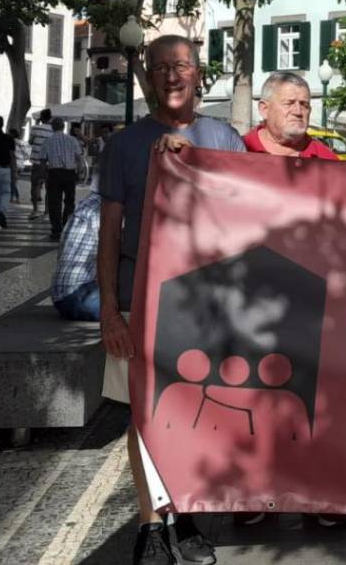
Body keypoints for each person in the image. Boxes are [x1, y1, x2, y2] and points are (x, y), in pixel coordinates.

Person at [98, 34, 243, 565]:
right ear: (148, 76)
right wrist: (109, 310)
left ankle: (187, 515)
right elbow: (109, 234)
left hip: (205, 303)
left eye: (181, 65)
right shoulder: (124, 145)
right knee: (143, 415)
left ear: (198, 73)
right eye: (160, 67)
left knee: (196, 412)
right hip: (137, 296)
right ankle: (151, 524)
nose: (172, 75)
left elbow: (248, 212)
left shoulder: (224, 138)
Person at [244, 72, 339, 159]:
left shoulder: (327, 160)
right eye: (289, 103)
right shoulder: (240, 150)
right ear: (264, 109)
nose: (298, 112)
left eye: (304, 105)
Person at [52, 194, 100, 321]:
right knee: (138, 309)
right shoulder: (102, 209)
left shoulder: (88, 205)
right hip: (79, 294)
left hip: (62, 294)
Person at [44, 118, 83, 241]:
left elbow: (42, 160)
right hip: (69, 173)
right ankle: (67, 227)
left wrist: (44, 175)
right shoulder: (72, 140)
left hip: (54, 173)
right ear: (63, 126)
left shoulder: (48, 141)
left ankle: (56, 229)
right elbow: (79, 158)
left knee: (54, 202)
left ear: (52, 127)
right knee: (69, 201)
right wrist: (79, 173)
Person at [28, 109, 53, 220]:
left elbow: (30, 142)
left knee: (34, 185)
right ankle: (47, 212)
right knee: (49, 188)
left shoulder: (35, 128)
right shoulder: (53, 130)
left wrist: (37, 123)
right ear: (50, 118)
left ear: (41, 117)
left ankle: (35, 210)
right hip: (50, 162)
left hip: (37, 162)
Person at [8, 128, 29, 203]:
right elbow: (27, 154)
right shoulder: (22, 143)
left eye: (9, 133)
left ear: (12, 134)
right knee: (13, 182)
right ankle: (14, 197)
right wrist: (22, 159)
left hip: (13, 163)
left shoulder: (10, 142)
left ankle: (14, 197)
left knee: (12, 182)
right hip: (21, 164)